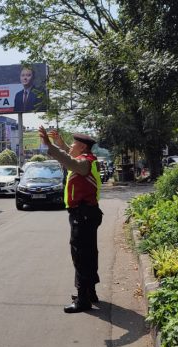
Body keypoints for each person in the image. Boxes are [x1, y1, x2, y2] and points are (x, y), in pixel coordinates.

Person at [38, 126, 103, 313]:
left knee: (81, 256)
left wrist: (50, 146)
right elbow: (70, 155)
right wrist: (60, 144)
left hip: (82, 215)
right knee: (89, 254)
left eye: (74, 144)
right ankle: (90, 292)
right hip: (87, 213)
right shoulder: (87, 159)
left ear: (82, 148)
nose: (71, 146)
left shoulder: (84, 163)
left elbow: (69, 160)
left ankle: (83, 300)